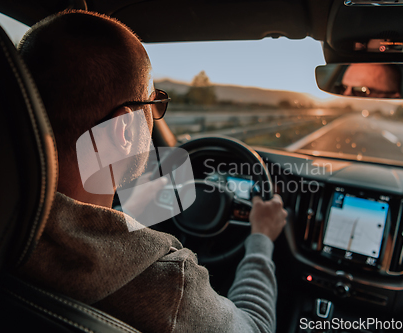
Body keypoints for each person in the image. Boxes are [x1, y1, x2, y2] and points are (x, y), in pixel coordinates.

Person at [17, 10, 287, 333]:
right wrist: (261, 239)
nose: (155, 115)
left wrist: (128, 211)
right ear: (124, 131)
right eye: (153, 103)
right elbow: (256, 327)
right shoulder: (171, 284)